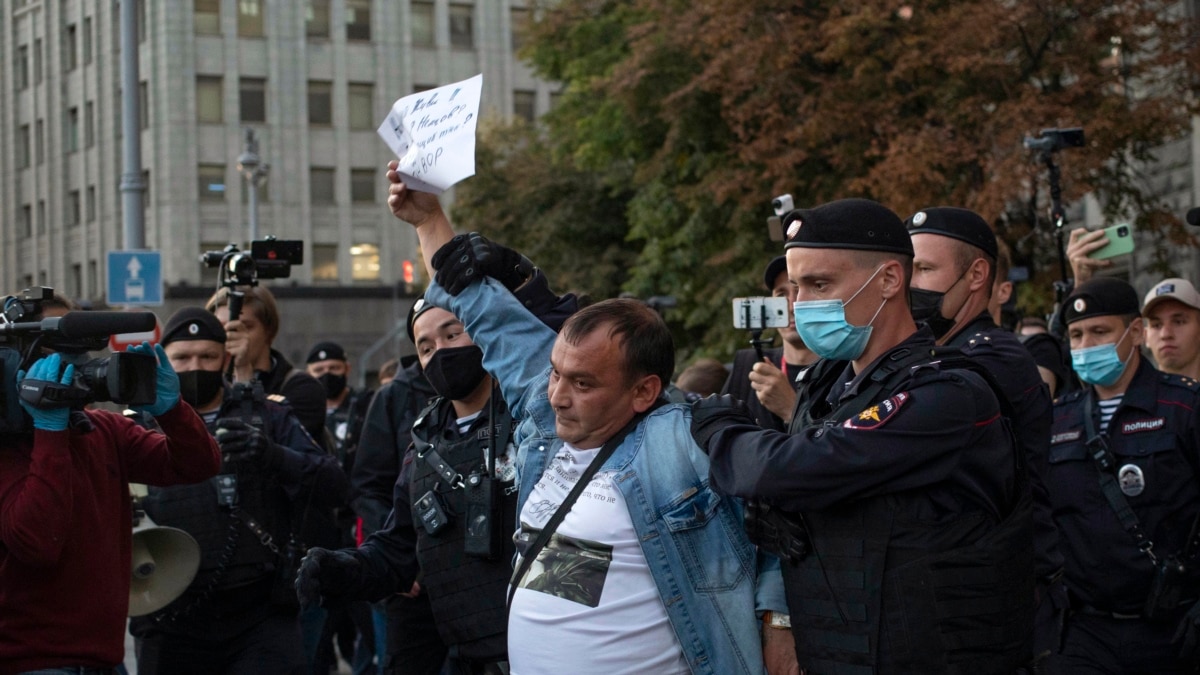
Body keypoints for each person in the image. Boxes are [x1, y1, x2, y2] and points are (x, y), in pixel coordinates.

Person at [384, 167, 773, 674]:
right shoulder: (553, 434)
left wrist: (778, 619)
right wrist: (428, 217)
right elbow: (490, 318)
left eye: (583, 384)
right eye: (554, 376)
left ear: (644, 391)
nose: (557, 397)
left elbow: (788, 521)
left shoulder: (680, 445)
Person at [693, 198, 1034, 673]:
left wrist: (719, 428)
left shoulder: (945, 392)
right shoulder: (828, 385)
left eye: (819, 284)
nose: (799, 305)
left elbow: (795, 468)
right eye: (795, 287)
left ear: (890, 280)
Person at [1, 302, 222, 674]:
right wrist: (49, 434)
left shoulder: (103, 429)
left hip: (105, 659)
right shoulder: (7, 451)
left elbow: (197, 464)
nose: (75, 367)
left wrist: (173, 411)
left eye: (79, 353)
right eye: (56, 354)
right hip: (30, 662)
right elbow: (39, 542)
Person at [128, 307, 348, 675]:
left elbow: (335, 486)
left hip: (259, 616)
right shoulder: (137, 426)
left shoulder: (268, 416)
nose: (194, 366)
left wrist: (275, 455)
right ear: (164, 361)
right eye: (182, 358)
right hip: (169, 619)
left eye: (207, 356)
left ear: (225, 359)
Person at [905, 206, 1062, 669]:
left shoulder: (990, 359)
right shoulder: (946, 353)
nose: (911, 285)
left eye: (926, 269)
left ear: (976, 275)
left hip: (997, 604)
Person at [1046, 277, 1200, 672]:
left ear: (1134, 333)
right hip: (1084, 631)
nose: (1086, 346)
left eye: (1099, 332)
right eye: (1076, 335)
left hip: (1171, 629)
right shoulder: (1058, 417)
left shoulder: (1183, 407)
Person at [305, 340, 377, 674]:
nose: (327, 376)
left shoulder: (365, 407)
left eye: (334, 369)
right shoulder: (303, 415)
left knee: (364, 624)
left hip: (356, 528)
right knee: (320, 634)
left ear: (347, 369)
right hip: (319, 531)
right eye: (319, 371)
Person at [205, 285, 327, 441]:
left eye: (244, 327)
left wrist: (244, 374)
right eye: (221, 327)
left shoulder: (302, 388)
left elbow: (269, 450)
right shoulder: (209, 385)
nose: (231, 335)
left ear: (269, 331)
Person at [722, 256, 817, 431]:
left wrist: (791, 409)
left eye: (799, 291)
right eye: (781, 295)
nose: (791, 306)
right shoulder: (748, 364)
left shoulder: (845, 371)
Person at [1141, 278, 1200, 381]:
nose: (1165, 334)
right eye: (1156, 325)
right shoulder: (1136, 396)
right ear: (1145, 336)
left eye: (1178, 322)